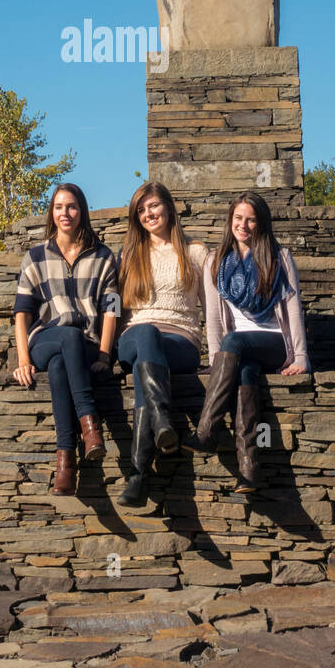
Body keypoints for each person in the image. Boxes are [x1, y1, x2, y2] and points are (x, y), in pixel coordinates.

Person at [184, 191, 310, 494]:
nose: (243, 225)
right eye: (238, 218)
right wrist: (218, 361)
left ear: (261, 224)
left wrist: (301, 357)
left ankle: (207, 430)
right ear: (230, 220)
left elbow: (293, 309)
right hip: (238, 349)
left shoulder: (279, 257)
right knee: (244, 373)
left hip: (275, 343)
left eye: (251, 220)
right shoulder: (216, 262)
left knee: (235, 342)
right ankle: (250, 471)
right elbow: (213, 317)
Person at [12, 183, 119, 496]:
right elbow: (22, 314)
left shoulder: (103, 257)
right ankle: (90, 427)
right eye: (59, 207)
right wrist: (23, 360)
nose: (65, 213)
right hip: (45, 339)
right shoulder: (35, 257)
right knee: (63, 342)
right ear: (52, 212)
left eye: (71, 206)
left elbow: (111, 309)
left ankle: (66, 466)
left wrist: (103, 355)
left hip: (85, 345)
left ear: (81, 210)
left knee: (61, 366)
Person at [115, 182, 207, 505]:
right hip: (133, 338)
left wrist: (222, 352)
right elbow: (112, 306)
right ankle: (162, 421)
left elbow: (212, 308)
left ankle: (138, 475)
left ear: (168, 207)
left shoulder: (195, 252)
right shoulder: (128, 254)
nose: (148, 214)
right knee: (146, 334)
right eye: (140, 210)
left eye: (153, 206)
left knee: (148, 355)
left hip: (181, 343)